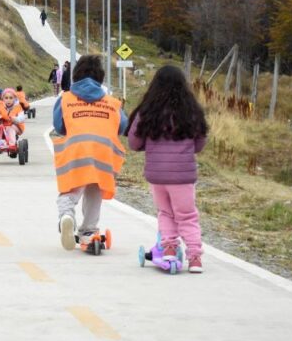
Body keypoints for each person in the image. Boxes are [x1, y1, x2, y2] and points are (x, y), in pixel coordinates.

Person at [127, 65, 208, 273]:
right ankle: (195, 258)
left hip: (157, 174)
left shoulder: (147, 111)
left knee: (165, 212)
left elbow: (134, 143)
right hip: (183, 176)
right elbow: (199, 144)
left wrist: (151, 146)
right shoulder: (191, 111)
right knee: (187, 215)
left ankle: (169, 249)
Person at [52, 55, 128, 250]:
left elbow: (59, 126)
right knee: (95, 188)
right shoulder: (111, 102)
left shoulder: (65, 99)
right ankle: (88, 230)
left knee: (72, 188)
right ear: (100, 78)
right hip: (104, 153)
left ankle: (67, 215)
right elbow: (122, 127)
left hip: (76, 149)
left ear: (76, 76)